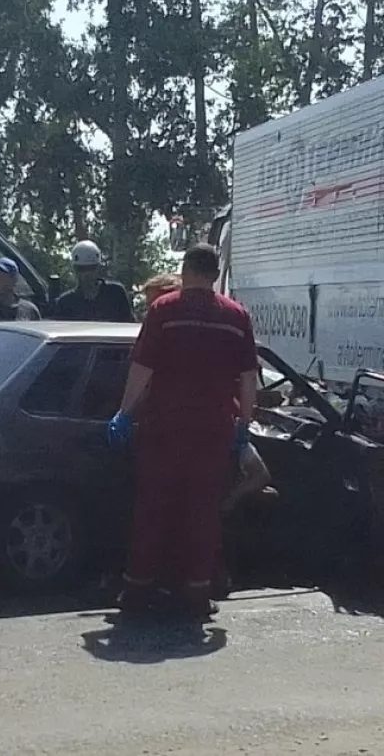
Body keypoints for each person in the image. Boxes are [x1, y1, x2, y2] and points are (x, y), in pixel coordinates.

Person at [109, 244, 258, 621]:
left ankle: (137, 592)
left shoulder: (164, 310)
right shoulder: (237, 316)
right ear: (214, 273)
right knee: (202, 515)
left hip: (165, 428)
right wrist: (244, 424)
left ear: (186, 269)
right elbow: (248, 379)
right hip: (212, 430)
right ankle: (195, 595)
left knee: (152, 510)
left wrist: (124, 414)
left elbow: (142, 369)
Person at [52, 240, 135, 322]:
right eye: (81, 269)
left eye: (91, 268)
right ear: (75, 269)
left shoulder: (116, 293)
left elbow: (129, 326)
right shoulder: (66, 303)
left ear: (98, 268)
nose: (87, 274)